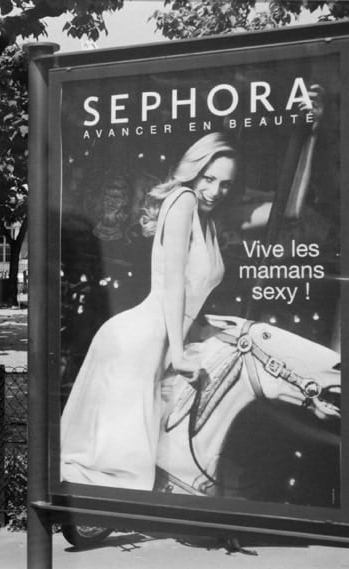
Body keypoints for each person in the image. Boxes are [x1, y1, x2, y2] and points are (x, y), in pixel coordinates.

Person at [60, 132, 238, 490]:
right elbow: (173, 284)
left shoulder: (207, 220)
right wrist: (177, 351)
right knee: (120, 461)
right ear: (193, 171)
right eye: (209, 178)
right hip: (143, 339)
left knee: (128, 453)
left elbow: (189, 291)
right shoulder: (184, 199)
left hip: (153, 338)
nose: (216, 191)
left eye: (225, 184)